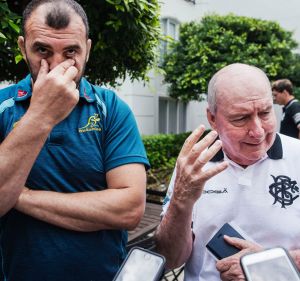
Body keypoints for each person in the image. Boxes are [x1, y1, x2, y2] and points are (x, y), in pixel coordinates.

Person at [0, 1, 150, 280]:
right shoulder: (2, 107)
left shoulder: (111, 108)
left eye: (71, 51)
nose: (57, 65)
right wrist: (42, 116)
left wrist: (18, 195)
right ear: (22, 48)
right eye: (42, 50)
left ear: (88, 50)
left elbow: (129, 208)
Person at [155, 63, 300, 281]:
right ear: (212, 118)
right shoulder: (193, 164)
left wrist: (268, 265)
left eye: (265, 112)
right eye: (240, 118)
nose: (258, 131)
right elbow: (170, 258)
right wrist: (181, 202)